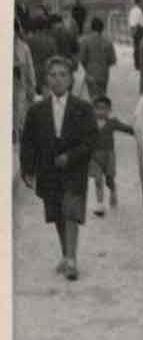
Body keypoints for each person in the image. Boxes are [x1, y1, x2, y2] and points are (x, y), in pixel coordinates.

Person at [20, 55, 98, 281]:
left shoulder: (83, 109)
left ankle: (72, 259)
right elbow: (28, 142)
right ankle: (66, 254)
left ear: (72, 79)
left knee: (71, 211)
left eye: (63, 75)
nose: (58, 80)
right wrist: (27, 169)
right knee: (57, 214)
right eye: (53, 75)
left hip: (74, 170)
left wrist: (71, 156)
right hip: (48, 171)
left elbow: (91, 139)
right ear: (46, 80)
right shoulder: (37, 110)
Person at [88, 95, 133, 216]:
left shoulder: (112, 122)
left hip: (109, 156)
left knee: (109, 179)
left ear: (109, 110)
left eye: (104, 109)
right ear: (93, 110)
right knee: (98, 179)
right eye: (98, 108)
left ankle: (113, 191)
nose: (101, 112)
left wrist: (137, 131)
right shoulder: (89, 123)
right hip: (94, 156)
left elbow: (126, 129)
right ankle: (100, 204)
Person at [13, 19, 38, 152]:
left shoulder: (24, 47)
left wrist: (32, 87)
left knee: (21, 116)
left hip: (20, 89)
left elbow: (30, 69)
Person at [78, 17, 117, 99]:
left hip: (90, 74)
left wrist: (87, 68)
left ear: (91, 28)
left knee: (93, 98)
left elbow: (82, 59)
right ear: (102, 29)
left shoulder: (85, 41)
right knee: (102, 98)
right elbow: (112, 60)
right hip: (103, 74)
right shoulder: (108, 42)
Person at [27, 17, 58, 97]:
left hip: (34, 71)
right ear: (44, 27)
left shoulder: (30, 40)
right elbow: (55, 57)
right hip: (47, 70)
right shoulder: (51, 40)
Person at [128, 0, 143, 71]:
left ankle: (137, 64)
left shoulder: (132, 10)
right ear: (139, 2)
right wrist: (136, 30)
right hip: (138, 29)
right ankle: (138, 64)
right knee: (139, 47)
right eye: (141, 2)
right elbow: (136, 22)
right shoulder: (138, 10)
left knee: (137, 47)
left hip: (135, 29)